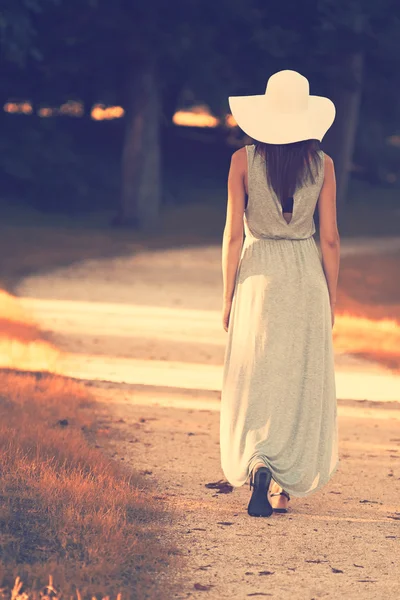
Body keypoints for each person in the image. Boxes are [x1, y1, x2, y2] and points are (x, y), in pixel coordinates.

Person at [220, 70, 340, 518]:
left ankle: (257, 462)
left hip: (259, 273)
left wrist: (228, 294)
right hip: (305, 275)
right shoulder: (323, 165)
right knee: (297, 377)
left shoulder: (241, 162)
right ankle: (283, 485)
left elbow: (234, 235)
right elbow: (329, 238)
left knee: (256, 374)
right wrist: (332, 295)